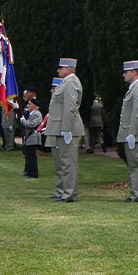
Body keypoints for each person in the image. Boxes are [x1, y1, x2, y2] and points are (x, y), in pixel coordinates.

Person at [45, 58, 85, 202]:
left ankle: (69, 194)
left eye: (61, 68)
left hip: (68, 128)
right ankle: (62, 191)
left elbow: (70, 107)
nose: (58, 70)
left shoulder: (71, 82)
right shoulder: (66, 82)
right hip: (61, 128)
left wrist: (67, 129)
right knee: (62, 162)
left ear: (69, 69)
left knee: (68, 163)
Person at [118, 60, 138, 202]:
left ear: (134, 72)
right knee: (133, 165)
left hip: (136, 134)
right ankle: (135, 193)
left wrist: (132, 133)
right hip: (133, 134)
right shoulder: (134, 88)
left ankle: (137, 195)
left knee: (136, 165)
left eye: (126, 72)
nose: (124, 74)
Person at [20, 99, 42, 178]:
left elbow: (31, 125)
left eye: (30, 104)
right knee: (28, 156)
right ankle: (28, 171)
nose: (28, 106)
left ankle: (33, 173)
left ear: (35, 106)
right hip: (29, 137)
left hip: (33, 137)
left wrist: (23, 121)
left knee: (32, 156)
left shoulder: (37, 114)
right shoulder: (31, 114)